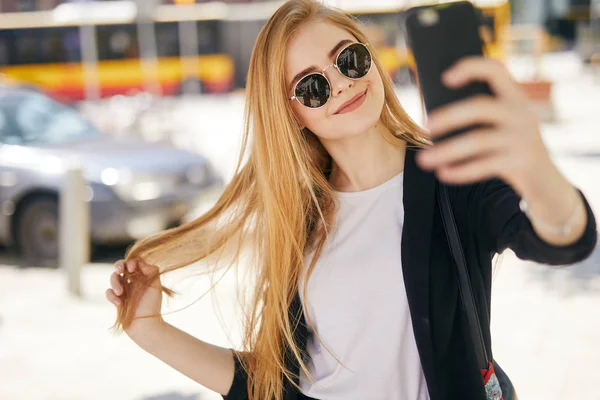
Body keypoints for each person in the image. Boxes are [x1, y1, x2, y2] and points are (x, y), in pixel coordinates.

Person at [105, 1, 597, 399]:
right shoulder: (298, 218)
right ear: (292, 114)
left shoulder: (453, 177)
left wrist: (536, 169)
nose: (341, 83)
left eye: (349, 59)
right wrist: (149, 329)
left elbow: (562, 240)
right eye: (312, 86)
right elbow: (276, 386)